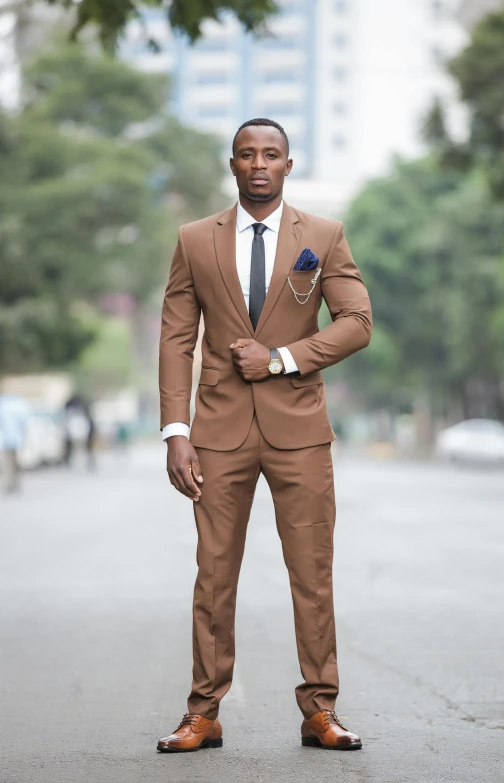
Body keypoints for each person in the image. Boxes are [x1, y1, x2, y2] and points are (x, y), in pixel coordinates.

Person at [157, 118, 372, 753]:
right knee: (214, 575)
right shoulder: (195, 240)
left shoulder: (324, 236)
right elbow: (176, 337)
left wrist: (281, 357)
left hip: (300, 432)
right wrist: (176, 430)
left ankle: (320, 711)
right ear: (233, 166)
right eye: (247, 154)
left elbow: (357, 321)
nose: (259, 164)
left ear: (287, 165)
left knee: (312, 573)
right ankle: (203, 712)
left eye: (270, 155)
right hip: (217, 433)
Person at [0, 393, 31, 494]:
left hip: (7, 439)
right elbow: (25, 423)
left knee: (8, 464)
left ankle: (10, 483)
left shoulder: (4, 407)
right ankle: (15, 483)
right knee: (16, 462)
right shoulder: (20, 407)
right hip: (16, 439)